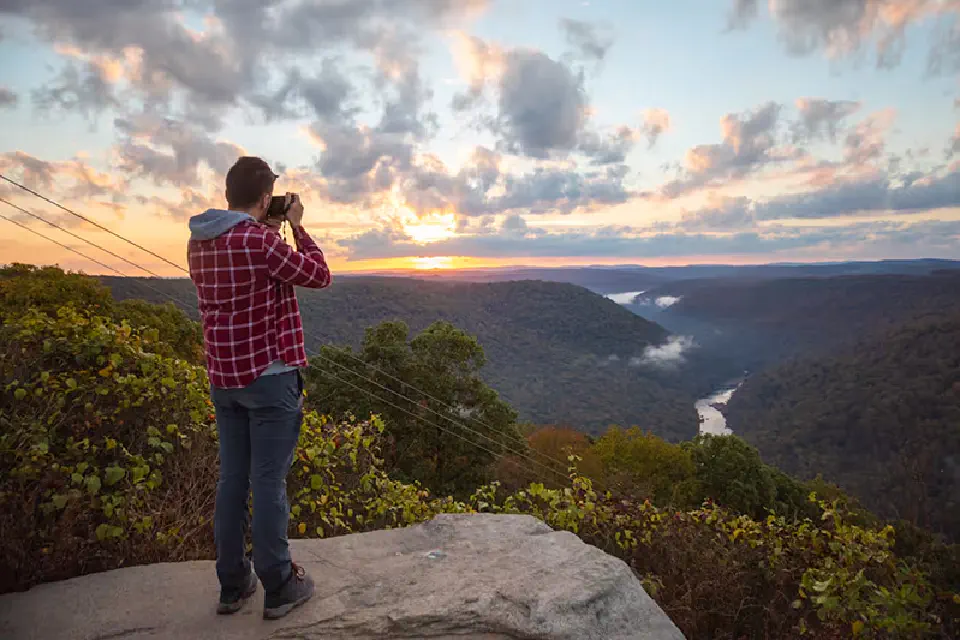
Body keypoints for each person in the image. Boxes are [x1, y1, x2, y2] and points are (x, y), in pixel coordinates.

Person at [187, 156, 332, 619]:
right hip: (269, 380)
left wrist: (269, 228)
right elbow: (317, 275)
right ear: (266, 197)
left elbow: (250, 271)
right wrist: (296, 226)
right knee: (268, 481)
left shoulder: (200, 239)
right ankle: (279, 582)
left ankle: (233, 584)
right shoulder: (257, 240)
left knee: (232, 479)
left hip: (224, 379)